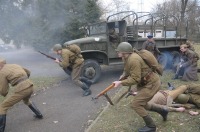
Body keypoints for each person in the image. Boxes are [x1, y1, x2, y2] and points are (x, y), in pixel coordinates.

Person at [113, 42, 168, 132]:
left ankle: (151, 126)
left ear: (124, 52)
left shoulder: (134, 59)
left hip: (151, 83)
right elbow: (127, 70)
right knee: (141, 103)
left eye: (119, 51)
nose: (117, 53)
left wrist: (121, 83)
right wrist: (122, 77)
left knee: (136, 104)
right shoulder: (126, 58)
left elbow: (135, 79)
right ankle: (163, 110)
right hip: (145, 83)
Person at [0, 58, 43, 132]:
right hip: (30, 85)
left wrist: (3, 93)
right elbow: (28, 72)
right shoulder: (14, 65)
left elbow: (4, 90)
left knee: (2, 107)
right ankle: (39, 114)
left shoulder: (2, 72)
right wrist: (24, 80)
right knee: (26, 100)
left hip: (22, 89)